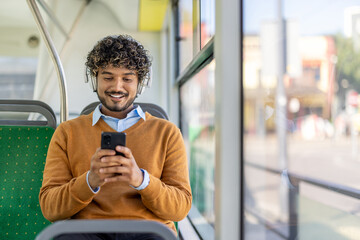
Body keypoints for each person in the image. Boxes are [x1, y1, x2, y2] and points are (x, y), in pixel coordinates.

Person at [39, 35, 192, 239]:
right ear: (95, 78)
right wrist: (90, 180)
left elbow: (179, 208)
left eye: (127, 79)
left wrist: (141, 180)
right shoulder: (68, 132)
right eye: (108, 77)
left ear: (140, 83)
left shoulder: (167, 133)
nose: (117, 87)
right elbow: (50, 208)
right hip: (85, 232)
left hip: (147, 232)